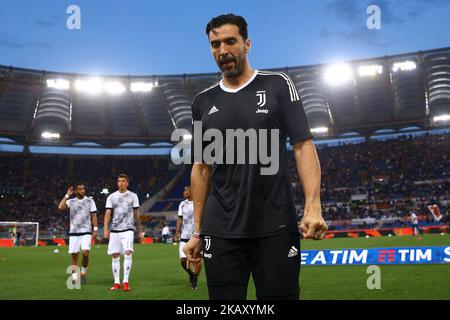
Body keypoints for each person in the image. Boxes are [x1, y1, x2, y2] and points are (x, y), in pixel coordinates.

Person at [183, 14, 327, 300]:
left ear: (247, 44)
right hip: (220, 231)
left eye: (230, 41)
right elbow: (201, 169)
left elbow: (303, 145)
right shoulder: (202, 102)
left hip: (275, 227)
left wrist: (313, 206)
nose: (222, 50)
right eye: (215, 44)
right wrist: (198, 231)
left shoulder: (278, 85)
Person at [104, 174, 143, 291]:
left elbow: (137, 215)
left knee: (127, 252)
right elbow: (107, 214)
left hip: (128, 229)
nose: (120, 183)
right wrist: (105, 229)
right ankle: (117, 282)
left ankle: (125, 281)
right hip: (115, 230)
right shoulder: (111, 197)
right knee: (115, 255)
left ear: (127, 183)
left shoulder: (133, 196)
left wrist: (140, 231)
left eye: (123, 181)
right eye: (119, 181)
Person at [58, 183, 98, 285]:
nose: (83, 191)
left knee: (85, 253)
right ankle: (75, 278)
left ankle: (83, 273)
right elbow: (60, 207)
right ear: (76, 191)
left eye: (83, 189)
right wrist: (67, 195)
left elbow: (93, 215)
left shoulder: (90, 201)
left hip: (86, 232)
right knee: (74, 256)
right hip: (74, 232)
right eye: (80, 189)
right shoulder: (71, 201)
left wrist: (95, 229)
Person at [175, 186, 200, 289]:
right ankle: (192, 275)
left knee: (195, 260)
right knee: (182, 260)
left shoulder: (198, 203)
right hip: (184, 236)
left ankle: (195, 279)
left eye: (186, 190)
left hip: (195, 236)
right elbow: (180, 219)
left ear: (191, 191)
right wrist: (177, 232)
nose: (184, 191)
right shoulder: (182, 204)